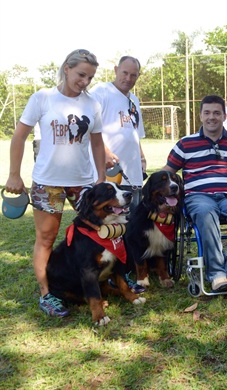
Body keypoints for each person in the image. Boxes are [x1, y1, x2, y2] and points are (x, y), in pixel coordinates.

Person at [5, 49, 105, 317]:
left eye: (90, 77)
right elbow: (19, 137)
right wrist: (14, 174)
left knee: (101, 232)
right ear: (66, 69)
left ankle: (110, 280)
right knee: (46, 238)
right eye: (81, 74)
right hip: (48, 182)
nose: (85, 81)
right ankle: (47, 295)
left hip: (83, 183)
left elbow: (97, 142)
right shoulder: (42, 98)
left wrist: (102, 178)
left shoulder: (92, 104)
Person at [164, 95, 227, 292]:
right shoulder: (185, 143)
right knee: (205, 213)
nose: (211, 117)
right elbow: (166, 173)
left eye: (216, 113)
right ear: (200, 116)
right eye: (207, 113)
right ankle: (217, 274)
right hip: (198, 196)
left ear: (224, 115)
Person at [90, 56, 146, 211]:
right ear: (116, 70)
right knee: (109, 225)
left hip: (132, 175)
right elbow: (89, 127)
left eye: (133, 75)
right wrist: (105, 152)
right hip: (109, 175)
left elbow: (135, 133)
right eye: (124, 73)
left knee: (133, 224)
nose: (128, 78)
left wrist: (141, 157)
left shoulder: (134, 100)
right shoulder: (100, 92)